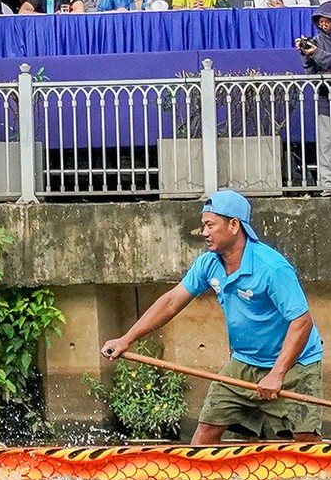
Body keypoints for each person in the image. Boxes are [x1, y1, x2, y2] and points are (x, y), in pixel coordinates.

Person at [102, 190, 321, 443]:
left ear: (234, 225)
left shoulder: (272, 268)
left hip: (295, 364)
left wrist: (277, 374)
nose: (204, 232)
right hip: (244, 361)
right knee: (204, 436)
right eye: (203, 225)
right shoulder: (208, 264)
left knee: (305, 442)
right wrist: (126, 339)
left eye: (210, 225)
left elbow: (302, 322)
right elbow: (171, 302)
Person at [300, 1, 331, 72]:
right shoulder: (318, 39)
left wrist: (316, 53)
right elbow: (311, 70)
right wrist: (306, 54)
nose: (324, 26)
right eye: (321, 22)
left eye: (327, 22)